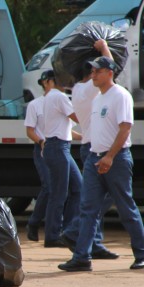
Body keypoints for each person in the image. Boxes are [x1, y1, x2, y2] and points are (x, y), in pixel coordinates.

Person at [58, 56, 144, 271]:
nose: (93, 75)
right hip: (95, 158)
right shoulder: (98, 99)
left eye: (97, 71)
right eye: (92, 71)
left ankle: (141, 254)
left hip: (116, 159)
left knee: (126, 208)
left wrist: (110, 156)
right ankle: (81, 258)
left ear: (109, 73)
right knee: (88, 209)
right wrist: (98, 156)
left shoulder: (120, 96)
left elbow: (125, 129)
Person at [61, 39, 118, 260]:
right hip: (95, 149)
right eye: (96, 70)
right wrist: (104, 48)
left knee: (96, 195)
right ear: (92, 73)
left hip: (89, 146)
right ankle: (75, 230)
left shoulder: (78, 90)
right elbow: (109, 65)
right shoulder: (88, 90)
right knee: (103, 196)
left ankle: (94, 242)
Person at [41, 73, 81, 248]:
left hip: (59, 146)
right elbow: (77, 118)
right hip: (58, 147)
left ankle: (66, 231)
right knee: (60, 193)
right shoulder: (59, 96)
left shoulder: (50, 97)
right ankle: (53, 236)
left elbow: (66, 127)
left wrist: (87, 136)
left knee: (76, 188)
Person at [24, 70, 52, 241]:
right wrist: (42, 142)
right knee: (49, 186)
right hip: (43, 149)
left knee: (68, 188)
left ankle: (58, 226)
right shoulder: (36, 105)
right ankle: (33, 223)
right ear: (46, 82)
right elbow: (30, 130)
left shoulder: (63, 101)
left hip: (60, 149)